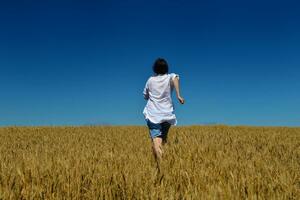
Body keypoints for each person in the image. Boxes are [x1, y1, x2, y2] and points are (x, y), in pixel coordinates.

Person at [143, 58, 185, 169]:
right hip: (167, 115)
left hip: (153, 115)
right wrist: (178, 95)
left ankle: (161, 166)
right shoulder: (169, 77)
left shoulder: (150, 80)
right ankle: (163, 161)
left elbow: (145, 95)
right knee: (163, 139)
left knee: (157, 140)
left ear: (154, 69)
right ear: (166, 68)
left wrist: (150, 95)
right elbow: (175, 77)